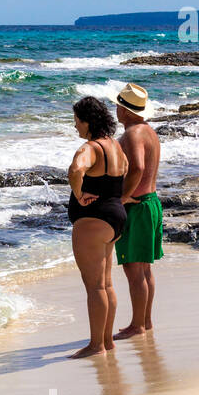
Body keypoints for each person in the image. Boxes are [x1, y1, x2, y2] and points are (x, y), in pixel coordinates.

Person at [66, 96, 129, 359]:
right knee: (106, 284)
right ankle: (106, 341)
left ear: (88, 121)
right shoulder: (115, 147)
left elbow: (75, 170)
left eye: (77, 121)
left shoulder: (90, 148)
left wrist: (79, 195)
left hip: (93, 220)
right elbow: (125, 172)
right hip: (116, 218)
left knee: (94, 287)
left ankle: (96, 345)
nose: (76, 127)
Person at [111, 83, 163, 339]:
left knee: (133, 269)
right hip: (151, 202)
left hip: (139, 206)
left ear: (125, 110)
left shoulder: (133, 133)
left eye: (118, 105)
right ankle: (146, 321)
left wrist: (122, 197)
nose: (116, 109)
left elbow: (138, 168)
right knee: (144, 269)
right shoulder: (148, 131)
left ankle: (137, 325)